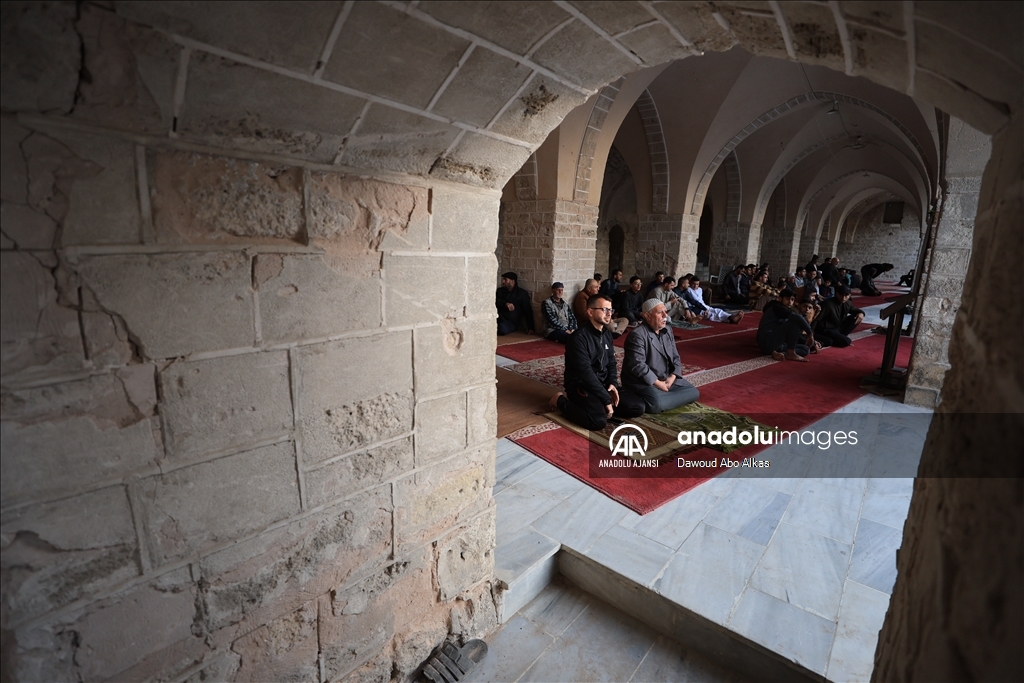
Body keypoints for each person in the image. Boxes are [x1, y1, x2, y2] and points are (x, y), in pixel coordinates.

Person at [549, 294, 645, 430]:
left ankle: (599, 405)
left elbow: (611, 363)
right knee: (597, 421)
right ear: (590, 312)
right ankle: (560, 401)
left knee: (638, 407)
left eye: (610, 310)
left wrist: (612, 384)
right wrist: (606, 398)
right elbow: (585, 373)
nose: (609, 314)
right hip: (581, 386)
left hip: (603, 383)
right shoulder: (578, 338)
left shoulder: (606, 334)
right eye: (604, 310)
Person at [622, 299, 700, 413]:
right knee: (655, 405)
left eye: (665, 311)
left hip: (666, 378)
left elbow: (675, 357)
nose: (665, 315)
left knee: (694, 392)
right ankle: (655, 396)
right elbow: (638, 366)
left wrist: (672, 378)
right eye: (660, 312)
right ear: (648, 316)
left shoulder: (667, 330)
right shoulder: (637, 335)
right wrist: (658, 384)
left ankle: (661, 396)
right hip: (643, 381)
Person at [756, 288, 815, 361]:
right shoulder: (777, 307)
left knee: (806, 349)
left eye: (792, 299)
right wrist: (810, 334)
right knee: (795, 321)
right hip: (767, 342)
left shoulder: (786, 309)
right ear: (780, 299)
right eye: (787, 299)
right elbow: (798, 318)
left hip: (777, 344)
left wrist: (813, 343)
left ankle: (781, 354)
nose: (790, 302)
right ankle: (790, 353)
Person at [496, 271, 535, 335]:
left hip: (511, 322)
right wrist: (505, 304)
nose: (503, 282)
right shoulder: (500, 291)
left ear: (512, 281)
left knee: (502, 329)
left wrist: (530, 327)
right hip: (498, 318)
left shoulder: (522, 293)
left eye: (505, 279)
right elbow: (493, 301)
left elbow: (527, 310)